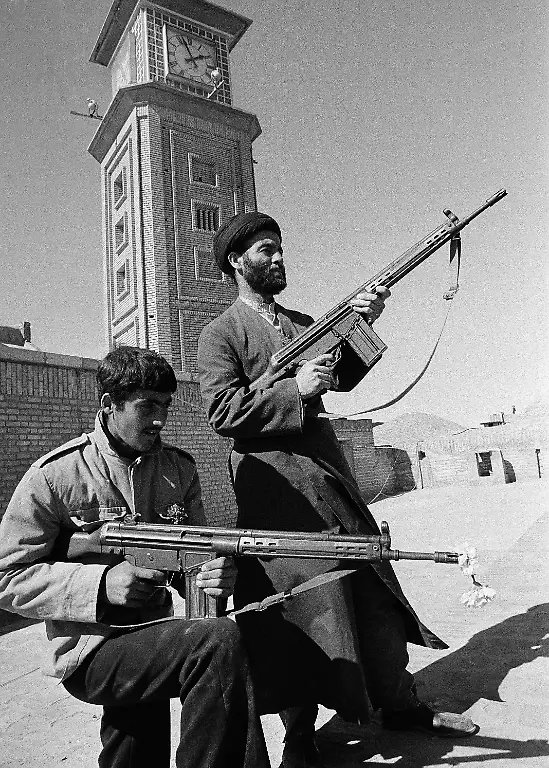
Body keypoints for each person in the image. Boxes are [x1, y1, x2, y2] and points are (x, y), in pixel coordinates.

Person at [197, 212, 479, 768]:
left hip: (329, 476)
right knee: (301, 611)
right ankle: (298, 737)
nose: (278, 259)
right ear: (236, 261)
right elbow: (220, 411)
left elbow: (341, 374)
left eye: (280, 249)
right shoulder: (220, 333)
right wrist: (294, 389)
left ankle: (401, 705)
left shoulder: (301, 321)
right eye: (264, 250)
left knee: (373, 592)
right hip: (276, 491)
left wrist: (363, 322)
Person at [0, 346, 270, 768]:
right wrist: (101, 586)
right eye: (147, 406)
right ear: (110, 405)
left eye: (165, 405)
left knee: (134, 747)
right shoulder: (56, 475)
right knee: (216, 641)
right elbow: (7, 578)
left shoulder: (178, 469)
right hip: (89, 648)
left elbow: (192, 557)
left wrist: (211, 576)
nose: (161, 419)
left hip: (157, 633)